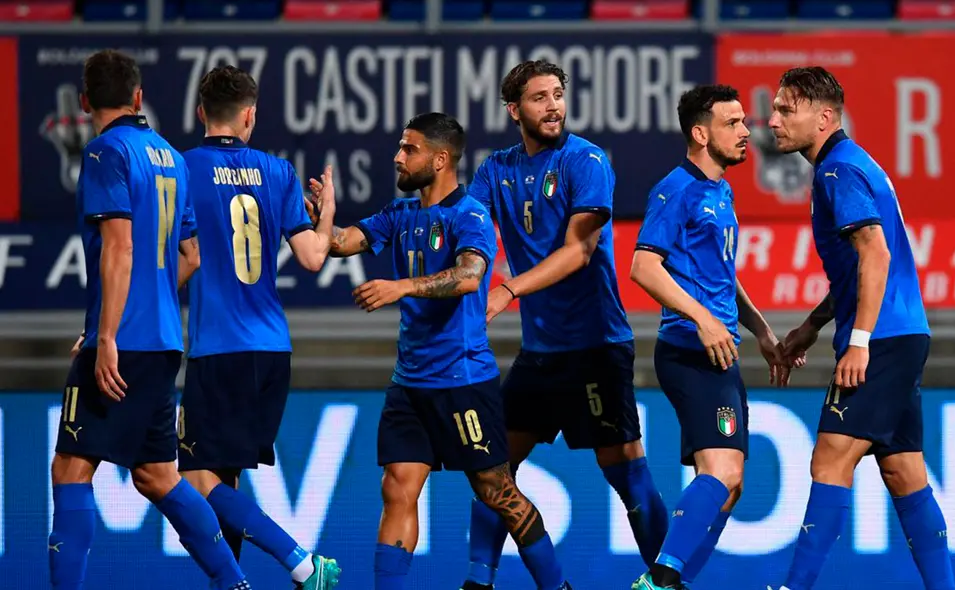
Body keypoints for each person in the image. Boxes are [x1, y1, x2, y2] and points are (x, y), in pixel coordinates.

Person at [309, 112, 571, 590]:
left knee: (497, 492)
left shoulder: (469, 213)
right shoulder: (399, 214)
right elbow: (343, 243)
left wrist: (401, 287)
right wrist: (324, 217)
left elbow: (470, 276)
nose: (398, 156)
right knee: (397, 487)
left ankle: (557, 587)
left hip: (462, 381)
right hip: (410, 383)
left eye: (409, 149)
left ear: (440, 158)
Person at [460, 59, 668, 590]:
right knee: (492, 470)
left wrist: (507, 287)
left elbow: (579, 249)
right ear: (515, 110)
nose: (553, 105)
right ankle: (478, 582)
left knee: (625, 472)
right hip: (540, 353)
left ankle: (669, 581)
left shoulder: (587, 161)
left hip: (596, 346)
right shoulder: (495, 171)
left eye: (558, 94)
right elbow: (462, 228)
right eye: (539, 97)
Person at [49, 49, 251, 590]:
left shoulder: (103, 153)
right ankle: (234, 583)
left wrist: (107, 331)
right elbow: (191, 255)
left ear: (86, 101)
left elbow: (118, 249)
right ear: (138, 98)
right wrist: (138, 308)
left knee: (71, 469)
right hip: (164, 339)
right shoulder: (169, 156)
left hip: (124, 341)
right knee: (158, 475)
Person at [766, 66, 954, 590]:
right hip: (902, 331)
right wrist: (811, 326)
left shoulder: (837, 171)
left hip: (884, 339)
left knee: (830, 457)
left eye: (786, 109)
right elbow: (858, 270)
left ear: (824, 117)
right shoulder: (848, 163)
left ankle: (794, 587)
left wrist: (858, 342)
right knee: (903, 471)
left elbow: (876, 254)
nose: (772, 120)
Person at [178, 65, 341, 589]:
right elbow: (315, 257)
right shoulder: (278, 172)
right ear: (250, 115)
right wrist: (327, 214)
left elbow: (186, 257)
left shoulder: (183, 170)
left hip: (218, 351)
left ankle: (301, 562)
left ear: (201, 112)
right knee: (223, 479)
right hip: (271, 349)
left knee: (192, 480)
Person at [629, 85, 794, 589]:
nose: (748, 132)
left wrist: (761, 329)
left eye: (746, 121)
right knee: (722, 471)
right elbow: (642, 266)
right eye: (733, 123)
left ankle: (670, 581)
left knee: (729, 485)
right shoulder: (674, 189)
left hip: (719, 350)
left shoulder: (720, 189)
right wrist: (702, 318)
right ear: (701, 133)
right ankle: (660, 581)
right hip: (689, 349)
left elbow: (721, 274)